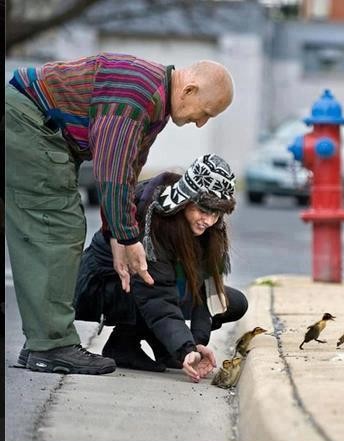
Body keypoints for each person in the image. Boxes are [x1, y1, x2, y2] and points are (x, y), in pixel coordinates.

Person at [5, 53, 234, 375]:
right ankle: (51, 346)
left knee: (55, 221)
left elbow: (128, 173)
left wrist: (116, 235)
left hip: (32, 120)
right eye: (205, 113)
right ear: (189, 90)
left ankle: (43, 343)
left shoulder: (154, 103)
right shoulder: (138, 98)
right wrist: (127, 235)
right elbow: (111, 172)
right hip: (30, 121)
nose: (201, 123)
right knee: (56, 224)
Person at [74, 154, 247, 382]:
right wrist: (184, 348)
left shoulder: (211, 230)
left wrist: (196, 343)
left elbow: (207, 290)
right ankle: (125, 342)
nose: (208, 220)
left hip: (153, 287)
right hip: (103, 286)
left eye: (215, 214)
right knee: (162, 290)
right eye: (203, 210)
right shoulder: (154, 216)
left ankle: (159, 345)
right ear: (186, 199)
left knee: (232, 302)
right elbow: (156, 297)